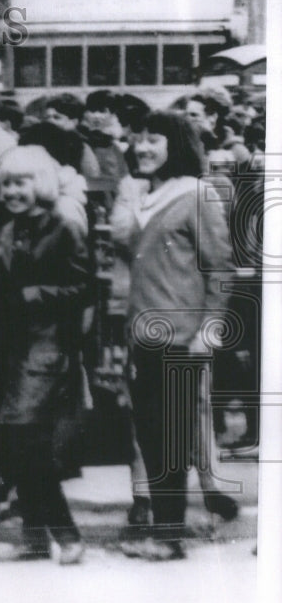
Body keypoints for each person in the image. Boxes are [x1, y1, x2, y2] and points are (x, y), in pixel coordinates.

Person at [114, 112, 234, 560]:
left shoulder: (198, 194)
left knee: (169, 440)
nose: (142, 148)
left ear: (176, 144)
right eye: (137, 140)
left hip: (182, 338)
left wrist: (210, 327)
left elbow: (220, 267)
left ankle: (168, 536)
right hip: (144, 335)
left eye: (153, 140)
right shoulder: (147, 194)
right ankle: (165, 533)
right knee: (151, 437)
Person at [0, 145, 92, 566]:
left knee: (27, 444)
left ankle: (66, 536)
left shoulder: (63, 227)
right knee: (13, 445)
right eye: (7, 183)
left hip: (45, 349)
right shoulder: (8, 229)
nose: (12, 191)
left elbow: (82, 289)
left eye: (21, 182)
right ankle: (35, 538)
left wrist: (34, 294)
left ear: (40, 183)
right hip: (10, 349)